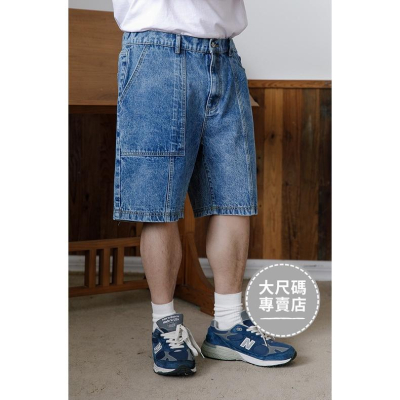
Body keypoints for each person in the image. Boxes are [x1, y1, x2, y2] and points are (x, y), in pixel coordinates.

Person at [111, 0, 296, 376]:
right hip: (156, 52)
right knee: (159, 203)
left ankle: (228, 324)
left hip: (223, 56)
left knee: (233, 198)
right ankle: (165, 328)